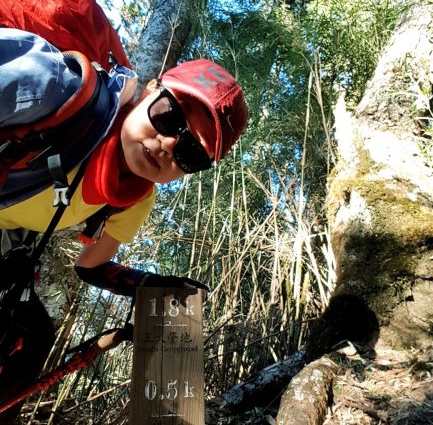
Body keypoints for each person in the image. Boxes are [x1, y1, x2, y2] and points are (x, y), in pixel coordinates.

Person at [0, 28, 248, 297]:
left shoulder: (133, 199)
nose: (168, 145)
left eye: (191, 153)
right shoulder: (55, 87)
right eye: (170, 116)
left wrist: (153, 287)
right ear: (150, 91)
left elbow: (91, 266)